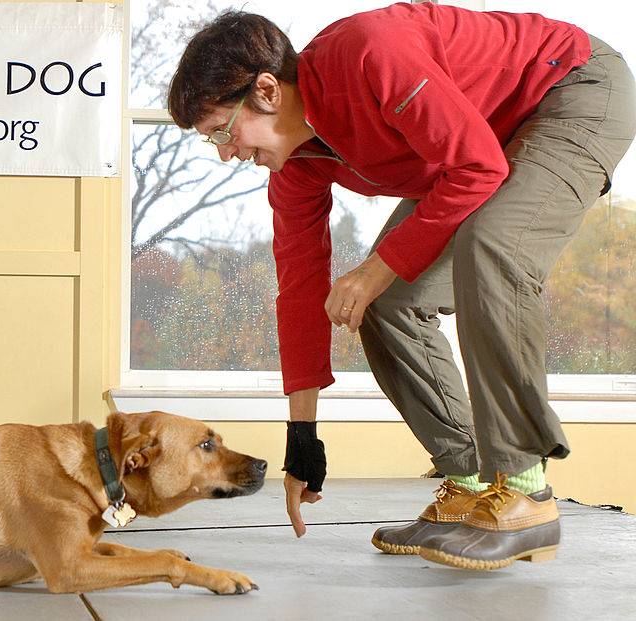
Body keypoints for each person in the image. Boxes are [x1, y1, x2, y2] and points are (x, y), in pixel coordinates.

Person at [167, 2, 635, 570]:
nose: (225, 153)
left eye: (223, 129)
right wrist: (302, 435)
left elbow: (477, 169)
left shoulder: (371, 51)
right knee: (388, 301)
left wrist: (371, 269)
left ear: (267, 90)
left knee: (493, 245)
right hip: (478, 141)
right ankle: (470, 487)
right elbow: (299, 287)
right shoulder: (295, 165)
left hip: (568, 88)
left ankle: (522, 491)